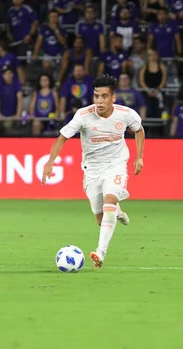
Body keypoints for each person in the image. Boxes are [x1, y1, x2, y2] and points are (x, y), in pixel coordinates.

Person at [41, 75, 145, 269]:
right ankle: (118, 213)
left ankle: (100, 253)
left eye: (104, 96)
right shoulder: (83, 115)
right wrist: (50, 162)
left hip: (116, 165)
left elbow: (139, 130)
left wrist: (139, 156)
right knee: (101, 218)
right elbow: (62, 137)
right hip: (92, 170)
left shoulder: (126, 114)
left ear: (113, 98)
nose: (99, 101)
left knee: (109, 202)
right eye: (96, 96)